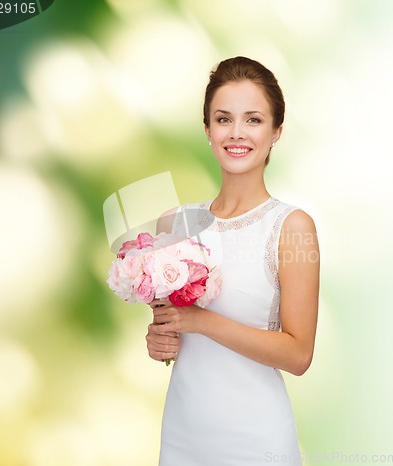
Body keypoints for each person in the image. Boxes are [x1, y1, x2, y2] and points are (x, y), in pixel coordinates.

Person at [145, 56, 320, 466]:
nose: (236, 133)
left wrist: (201, 322)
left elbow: (299, 356)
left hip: (256, 440)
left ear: (277, 131)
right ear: (207, 129)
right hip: (182, 436)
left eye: (253, 120)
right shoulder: (175, 222)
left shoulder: (293, 227)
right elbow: (169, 332)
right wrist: (160, 340)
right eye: (224, 119)